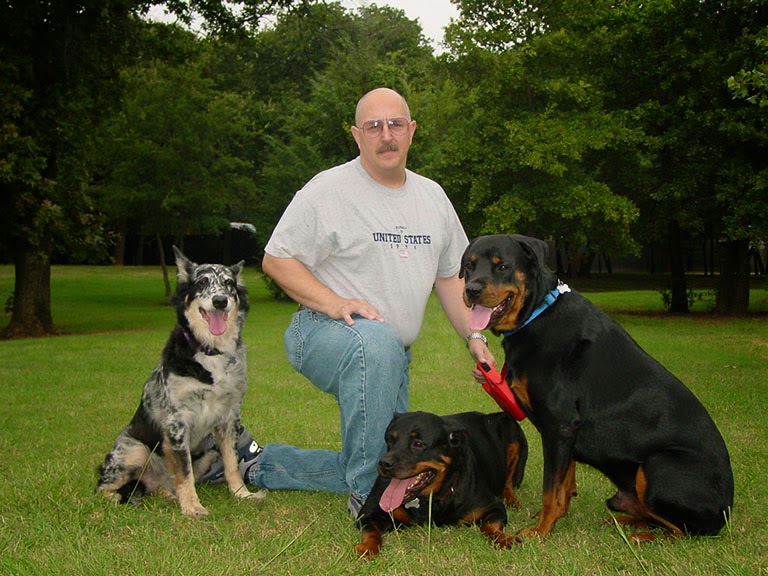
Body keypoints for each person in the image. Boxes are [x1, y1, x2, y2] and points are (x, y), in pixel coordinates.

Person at [200, 87, 495, 517]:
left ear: (412, 131)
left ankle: (253, 461)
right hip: (324, 331)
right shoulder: (328, 190)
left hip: (392, 354)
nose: (386, 135)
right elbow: (277, 260)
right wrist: (334, 301)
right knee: (375, 366)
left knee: (384, 457)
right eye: (373, 126)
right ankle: (369, 504)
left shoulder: (432, 197)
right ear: (357, 135)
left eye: (395, 124)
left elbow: (449, 276)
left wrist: (474, 336)